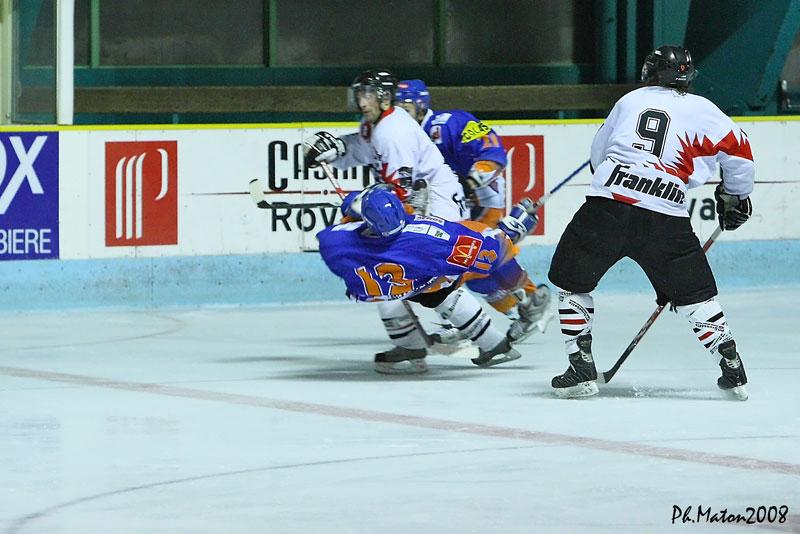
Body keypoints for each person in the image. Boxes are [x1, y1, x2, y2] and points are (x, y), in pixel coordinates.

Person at [547, 45, 754, 400]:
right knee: (696, 296)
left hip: (608, 208)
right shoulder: (705, 109)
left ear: (649, 73)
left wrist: (621, 181)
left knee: (571, 281)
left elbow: (598, 156)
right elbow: (741, 153)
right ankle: (731, 366)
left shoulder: (629, 101)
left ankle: (580, 367)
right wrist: (734, 196)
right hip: (666, 215)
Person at [303, 69, 470, 366]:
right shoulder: (377, 124)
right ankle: (421, 342)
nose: (361, 101)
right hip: (425, 205)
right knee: (390, 271)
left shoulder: (393, 132)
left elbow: (402, 193)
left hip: (438, 208)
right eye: (359, 94)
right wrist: (336, 149)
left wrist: (358, 207)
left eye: (368, 94)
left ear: (383, 97)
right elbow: (362, 150)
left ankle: (465, 336)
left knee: (414, 275)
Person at [317, 185, 540, 374]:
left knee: (391, 301)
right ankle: (494, 344)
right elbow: (492, 253)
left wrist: (352, 206)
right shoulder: (426, 238)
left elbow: (348, 224)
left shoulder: (334, 242)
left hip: (383, 287)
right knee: (446, 290)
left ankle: (411, 348)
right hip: (428, 282)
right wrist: (511, 229)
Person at [393, 79, 552, 341]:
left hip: (478, 203)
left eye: (406, 109)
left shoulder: (449, 123)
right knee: (473, 275)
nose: (400, 115)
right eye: (396, 109)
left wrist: (470, 182)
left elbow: (491, 150)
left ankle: (528, 300)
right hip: (444, 207)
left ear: (421, 107)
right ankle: (519, 311)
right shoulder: (401, 137)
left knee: (472, 260)